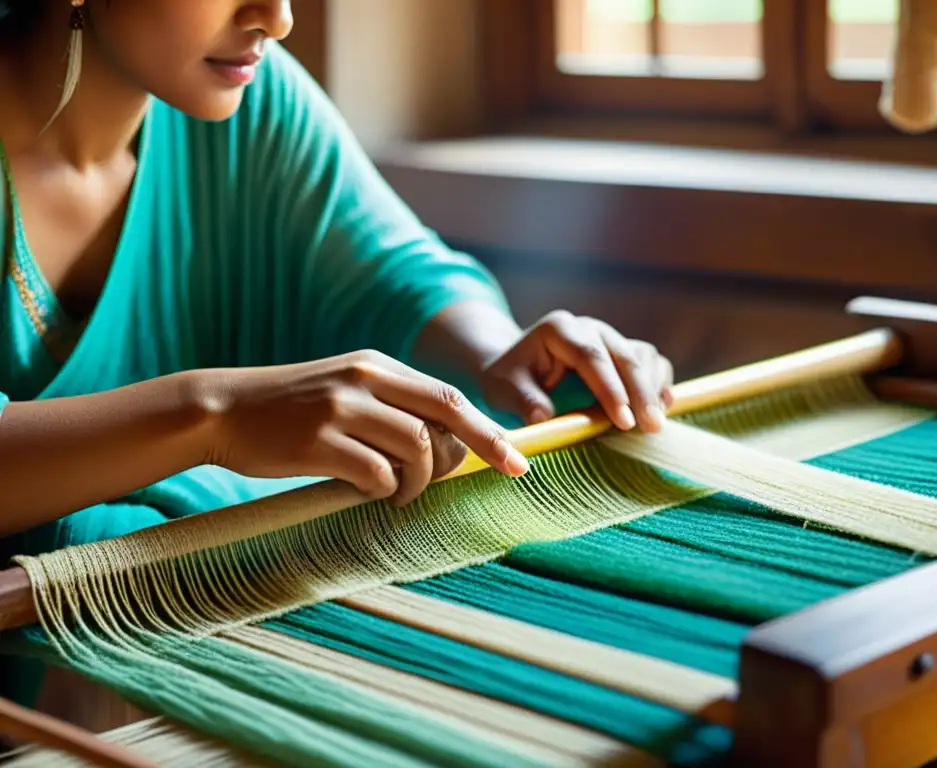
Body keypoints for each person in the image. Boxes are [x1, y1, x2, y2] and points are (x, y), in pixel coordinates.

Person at [0, 0, 674, 716]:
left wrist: (499, 350)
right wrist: (215, 415)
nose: (279, 17)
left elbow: (388, 265)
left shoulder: (255, 99)